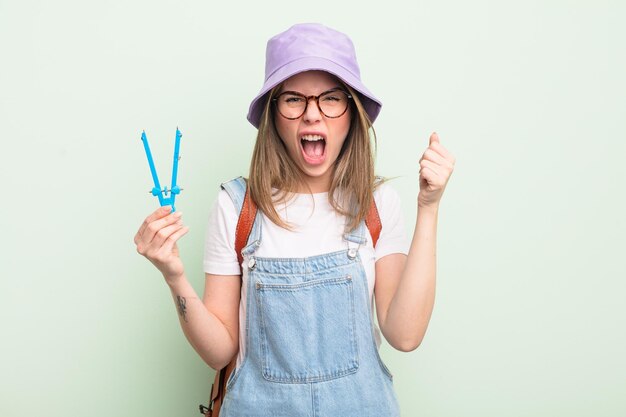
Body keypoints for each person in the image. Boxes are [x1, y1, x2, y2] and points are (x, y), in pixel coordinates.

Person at [135, 23, 455, 416]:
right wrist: (173, 275)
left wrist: (429, 205)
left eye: (331, 99)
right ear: (274, 114)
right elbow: (220, 351)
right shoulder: (237, 208)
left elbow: (405, 335)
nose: (312, 115)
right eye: (294, 100)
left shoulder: (377, 204)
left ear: (351, 114)